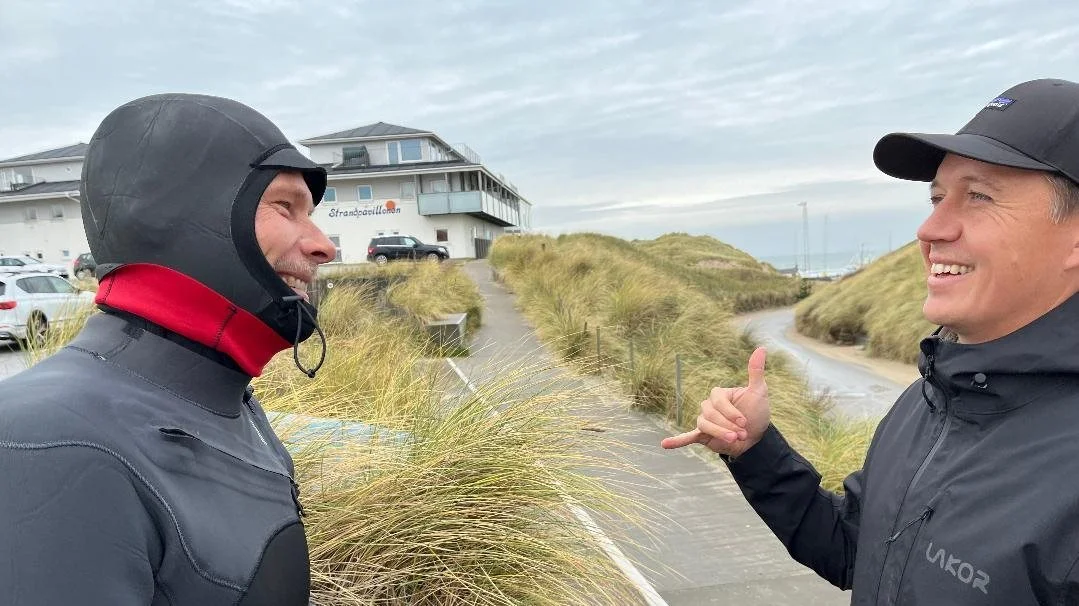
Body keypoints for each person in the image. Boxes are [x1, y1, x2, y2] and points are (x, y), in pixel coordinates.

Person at [663, 78, 1079, 604]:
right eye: (935, 197)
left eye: (978, 196)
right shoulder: (930, 398)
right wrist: (754, 451)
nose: (930, 229)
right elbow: (853, 549)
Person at [0, 93, 337, 604]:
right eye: (285, 207)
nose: (324, 245)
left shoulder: (220, 396)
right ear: (175, 213)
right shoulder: (47, 439)